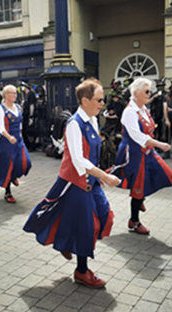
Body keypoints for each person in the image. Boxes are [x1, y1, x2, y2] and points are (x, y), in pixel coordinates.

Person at [23, 78, 120, 288]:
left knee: (105, 217)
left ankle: (66, 241)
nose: (102, 103)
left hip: (90, 181)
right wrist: (104, 176)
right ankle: (82, 271)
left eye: (103, 100)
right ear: (85, 100)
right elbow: (78, 159)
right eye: (99, 99)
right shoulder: (74, 124)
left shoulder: (93, 120)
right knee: (86, 226)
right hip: (75, 182)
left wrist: (98, 176)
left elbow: (91, 155)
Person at [113, 77, 172, 235]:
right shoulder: (129, 112)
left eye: (150, 91)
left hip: (147, 151)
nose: (149, 94)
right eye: (147, 91)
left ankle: (141, 198)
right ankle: (134, 221)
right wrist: (159, 144)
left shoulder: (143, 109)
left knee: (167, 174)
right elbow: (137, 136)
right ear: (136, 93)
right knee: (138, 189)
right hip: (134, 153)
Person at [0, 85, 32, 203]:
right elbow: (0, 128)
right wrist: (9, 137)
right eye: (12, 93)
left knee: (25, 162)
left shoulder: (17, 107)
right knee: (8, 166)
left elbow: (20, 124)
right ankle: (8, 192)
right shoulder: (1, 109)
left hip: (18, 139)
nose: (14, 95)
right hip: (6, 141)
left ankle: (14, 177)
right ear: (5, 95)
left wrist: (20, 136)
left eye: (15, 93)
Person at [21, 82, 37, 151]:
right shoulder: (26, 95)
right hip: (25, 115)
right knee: (25, 131)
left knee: (30, 131)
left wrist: (31, 116)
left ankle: (31, 145)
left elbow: (31, 106)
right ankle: (27, 145)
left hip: (29, 116)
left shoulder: (30, 94)